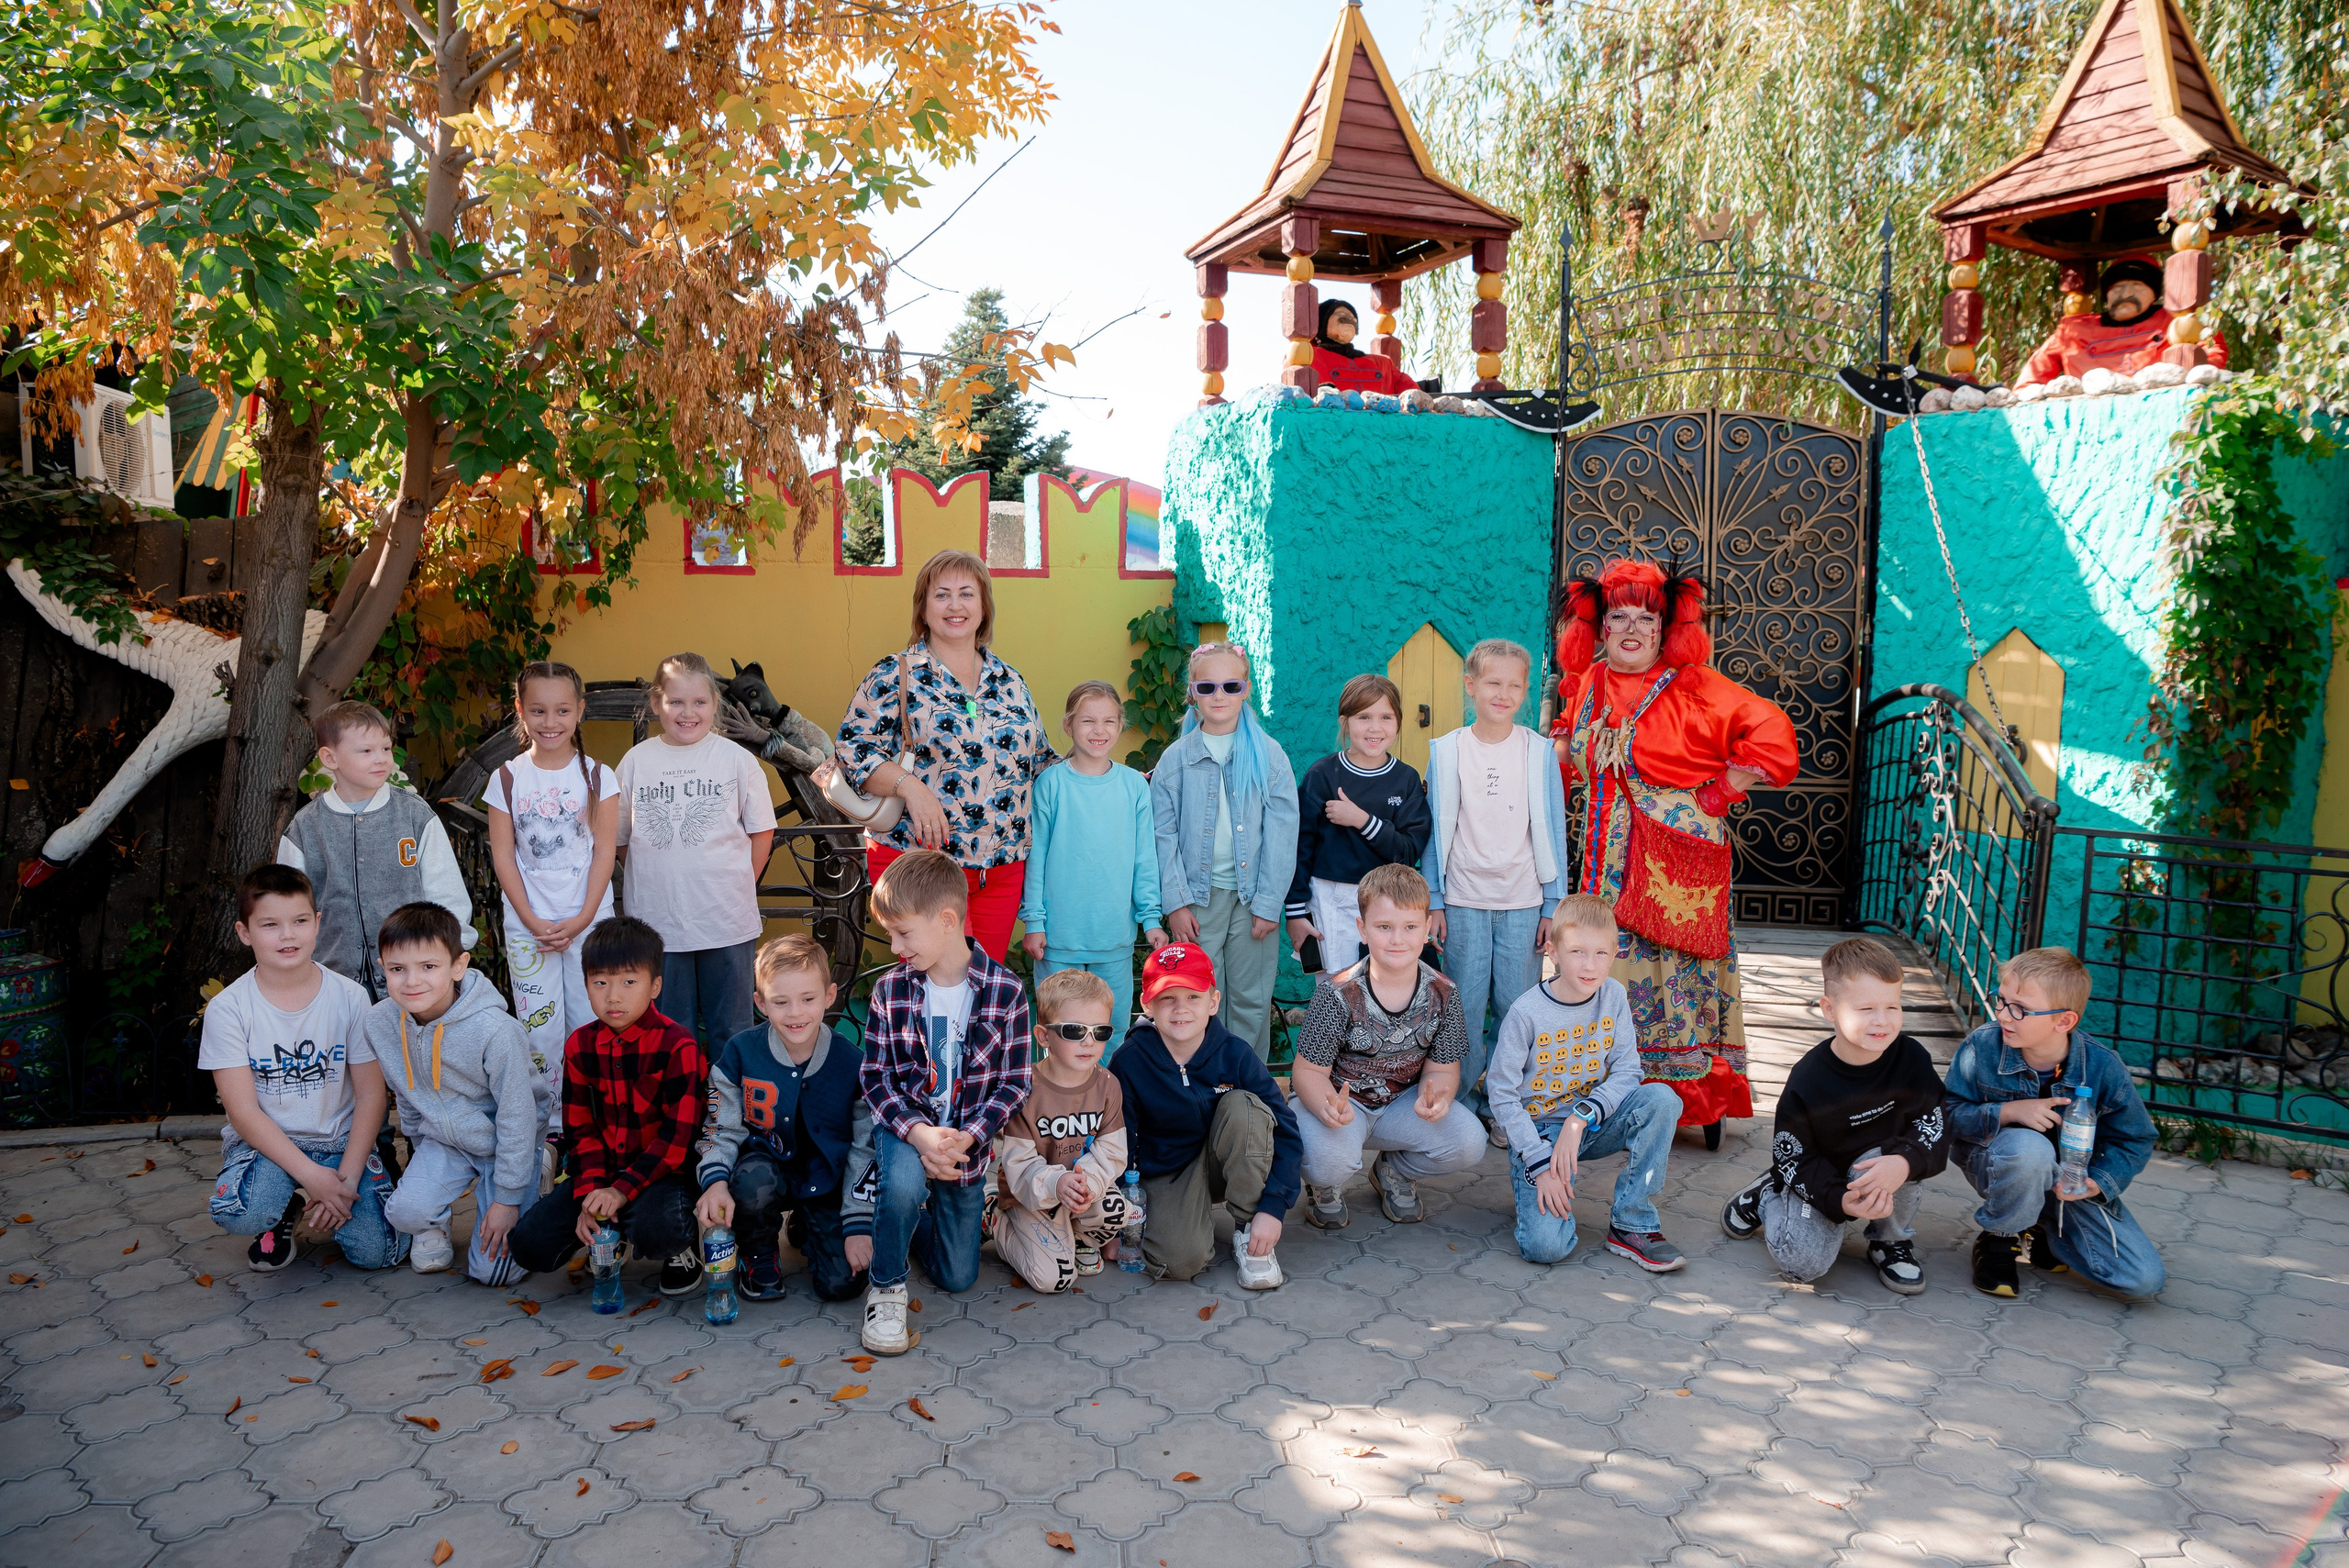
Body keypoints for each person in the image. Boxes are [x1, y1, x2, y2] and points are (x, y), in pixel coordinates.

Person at [1554, 559, 1798, 1140]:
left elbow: (1773, 732)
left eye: (1647, 618)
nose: (1633, 629)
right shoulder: (1589, 682)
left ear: (1665, 628)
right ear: (1602, 625)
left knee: (1677, 969)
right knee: (1598, 965)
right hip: (1600, 859)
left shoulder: (1693, 685)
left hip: (1674, 858)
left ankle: (1682, 1095)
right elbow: (1568, 742)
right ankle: (1601, 1090)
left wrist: (1721, 792)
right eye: (1620, 617)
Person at [836, 550, 1062, 961]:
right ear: (923, 609)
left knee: (982, 984)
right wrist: (913, 789)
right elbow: (853, 749)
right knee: (939, 984)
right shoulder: (895, 673)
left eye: (966, 594)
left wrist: (1105, 774)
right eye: (941, 595)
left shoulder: (1010, 680)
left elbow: (1040, 761)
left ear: (983, 606)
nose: (955, 606)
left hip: (1002, 869)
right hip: (921, 864)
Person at [858, 849, 1035, 1353]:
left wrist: (969, 1138)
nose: (894, 946)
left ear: (948, 920)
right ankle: (887, 1285)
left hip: (965, 1146)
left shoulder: (1005, 992)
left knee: (958, 1277)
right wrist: (917, 1134)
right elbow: (876, 1077)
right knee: (901, 1185)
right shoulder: (891, 990)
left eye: (903, 933)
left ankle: (909, 1220)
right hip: (907, 1131)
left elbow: (1015, 1082)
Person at [201, 864, 406, 1273]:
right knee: (239, 1211)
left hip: (339, 1144)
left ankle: (340, 1194)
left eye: (298, 921)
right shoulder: (229, 1009)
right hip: (268, 1147)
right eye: (270, 925)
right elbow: (243, 1113)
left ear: (317, 923)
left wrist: (343, 1182)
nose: (288, 935)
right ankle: (279, 1211)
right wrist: (311, 1177)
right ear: (245, 933)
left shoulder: (349, 998)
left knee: (380, 1254)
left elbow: (370, 1095)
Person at [1720, 937, 1947, 1295]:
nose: (1882, 1021)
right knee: (1803, 1266)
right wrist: (1837, 1199)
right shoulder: (1809, 1080)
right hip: (1819, 1176)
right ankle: (1767, 1195)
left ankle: (1888, 1240)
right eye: (1866, 1009)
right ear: (1829, 1009)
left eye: (1893, 1007)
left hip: (1880, 1165)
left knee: (1902, 1157)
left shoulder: (1912, 1060)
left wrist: (1904, 1163)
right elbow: (1793, 1154)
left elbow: (1933, 1123)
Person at [1944, 946, 2164, 1301]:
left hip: (2069, 1181)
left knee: (2142, 1279)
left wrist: (2098, 1183)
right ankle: (1999, 1238)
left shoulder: (2103, 1067)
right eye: (2000, 1000)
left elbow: (2135, 1138)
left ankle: (2045, 1227)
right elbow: (1947, 1114)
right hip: (2000, 1165)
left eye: (2020, 1009)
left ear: (2063, 1021)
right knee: (2031, 1150)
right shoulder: (1981, 1048)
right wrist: (2010, 1112)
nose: (2003, 1015)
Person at [1486, 895, 1687, 1271]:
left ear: (1614, 953)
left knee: (1661, 1099)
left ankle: (1632, 1223)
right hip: (1540, 1133)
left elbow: (1628, 1070)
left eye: (1600, 954)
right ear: (1553, 951)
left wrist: (1580, 1118)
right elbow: (1501, 1093)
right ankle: (1545, 1193)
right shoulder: (1526, 1013)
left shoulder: (1613, 995)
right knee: (1545, 1247)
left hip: (1588, 1124)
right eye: (1577, 951)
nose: (1590, 966)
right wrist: (1540, 1164)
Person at [508, 917, 709, 1294]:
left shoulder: (678, 1046)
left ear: (655, 986)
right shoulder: (580, 1046)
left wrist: (620, 1192)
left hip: (661, 1175)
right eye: (600, 982)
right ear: (585, 986)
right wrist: (590, 1195)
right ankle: (609, 1231)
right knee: (529, 1246)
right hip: (602, 1172)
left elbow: (676, 1142)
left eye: (629, 982)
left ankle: (680, 1249)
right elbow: (580, 1131)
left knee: (660, 1231)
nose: (613, 996)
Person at [1425, 639, 1569, 1138]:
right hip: (1463, 899)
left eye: (1514, 685)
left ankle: (1506, 1105)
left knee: (1515, 1005)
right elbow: (1435, 831)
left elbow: (1552, 826)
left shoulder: (1537, 751)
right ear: (1471, 686)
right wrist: (1435, 899)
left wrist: (1554, 903)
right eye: (1492, 683)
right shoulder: (1446, 751)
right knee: (1461, 1005)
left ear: (1526, 690)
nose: (1503, 694)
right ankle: (1457, 1098)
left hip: (1524, 902)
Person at [1291, 864, 1485, 1229]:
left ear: (1427, 928)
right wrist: (1324, 1104)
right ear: (1362, 929)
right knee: (1329, 1160)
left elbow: (1443, 1068)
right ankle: (1324, 1186)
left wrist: (1440, 1096)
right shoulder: (1337, 993)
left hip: (1400, 1108)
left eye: (1410, 927)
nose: (1398, 939)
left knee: (1469, 1141)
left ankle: (1392, 1170)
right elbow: (1307, 1072)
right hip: (1341, 1106)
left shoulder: (1444, 993)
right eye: (1384, 927)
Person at [365, 902, 544, 1284]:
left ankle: (532, 1175)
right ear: (383, 969)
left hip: (506, 1141)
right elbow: (407, 1094)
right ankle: (436, 1226)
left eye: (428, 967)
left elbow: (518, 1115)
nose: (412, 982)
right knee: (405, 1212)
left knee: (494, 1274)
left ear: (458, 966)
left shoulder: (495, 1030)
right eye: (398, 969)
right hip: (446, 1140)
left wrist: (506, 1199)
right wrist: (419, 1155)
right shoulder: (380, 1023)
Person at [694, 934, 874, 1304]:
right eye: (780, 1001)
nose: (795, 1013)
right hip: (763, 1172)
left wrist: (859, 1222)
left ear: (829, 995)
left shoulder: (852, 1063)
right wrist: (714, 1181)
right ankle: (758, 1253)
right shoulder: (740, 1053)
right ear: (760, 1003)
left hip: (826, 1179)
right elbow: (719, 1127)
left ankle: (809, 1224)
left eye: (808, 999)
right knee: (752, 1182)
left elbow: (865, 1148)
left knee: (842, 1285)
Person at [1111, 942, 1302, 1288]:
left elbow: (1286, 1129)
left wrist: (1273, 1209)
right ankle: (1187, 1222)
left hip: (1228, 1160)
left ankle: (1247, 1227)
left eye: (1193, 997)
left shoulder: (1236, 1054)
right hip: (1169, 1170)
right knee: (1179, 1262)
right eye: (1168, 998)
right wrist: (1116, 1223)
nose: (1180, 1009)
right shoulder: (1130, 1060)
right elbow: (1118, 1139)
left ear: (1213, 1002)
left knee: (1244, 1106)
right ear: (1147, 1005)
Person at [484, 660, 619, 1134]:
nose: (551, 722)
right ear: (521, 711)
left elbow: (605, 853)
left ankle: (594, 1115)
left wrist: (582, 918)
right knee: (540, 1028)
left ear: (579, 711)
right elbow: (504, 858)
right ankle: (550, 1124)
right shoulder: (506, 779)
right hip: (530, 928)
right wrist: (532, 920)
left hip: (590, 924)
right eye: (538, 711)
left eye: (562, 710)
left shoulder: (600, 778)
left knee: (593, 1018)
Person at [616, 651, 777, 1046]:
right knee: (670, 1032)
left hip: (725, 922)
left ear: (714, 704)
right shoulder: (636, 762)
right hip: (659, 925)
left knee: (731, 1029)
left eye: (699, 702)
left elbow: (762, 834)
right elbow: (620, 840)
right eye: (676, 702)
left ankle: (726, 1105)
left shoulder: (737, 761)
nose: (688, 713)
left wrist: (740, 884)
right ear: (657, 703)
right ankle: (679, 1105)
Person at [1151, 641, 1299, 1061]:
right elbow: (1162, 836)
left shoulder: (1268, 756)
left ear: (1246, 690)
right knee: (1196, 993)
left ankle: (1245, 1088)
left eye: (1230, 686)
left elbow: (1283, 832)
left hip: (1253, 898)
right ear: (1192, 693)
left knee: (1251, 999)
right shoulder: (1176, 760)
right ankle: (1201, 1082)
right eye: (1208, 686)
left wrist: (1270, 902)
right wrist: (1177, 903)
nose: (1219, 696)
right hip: (1199, 902)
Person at [279, 700, 473, 1002]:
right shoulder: (306, 827)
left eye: (385, 749)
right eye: (366, 751)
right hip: (333, 980)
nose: (381, 759)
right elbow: (289, 911)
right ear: (330, 758)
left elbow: (447, 895)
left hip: (411, 978)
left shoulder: (414, 816)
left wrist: (448, 959)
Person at [1019, 680, 1166, 1054]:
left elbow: (1144, 859)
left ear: (1120, 726)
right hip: (1058, 936)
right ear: (1069, 726)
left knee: (1113, 1027)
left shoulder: (1134, 786)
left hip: (1112, 935)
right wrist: (1034, 921)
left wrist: (1150, 918)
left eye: (1108, 721)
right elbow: (1036, 858)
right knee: (1057, 1028)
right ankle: (1056, 1103)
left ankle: (1108, 1102)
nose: (1098, 731)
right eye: (1087, 721)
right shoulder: (1050, 784)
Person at [987, 968, 1131, 1294]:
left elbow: (1112, 1151)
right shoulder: (1023, 1088)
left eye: (1100, 1030)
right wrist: (1056, 1182)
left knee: (1117, 1208)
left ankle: (1078, 1237)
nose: (1089, 1041)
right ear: (1043, 1036)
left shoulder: (1108, 1085)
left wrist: (1088, 1183)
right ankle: (996, 1221)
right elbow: (1019, 1165)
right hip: (1032, 1195)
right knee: (1056, 1280)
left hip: (1079, 1190)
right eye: (1074, 1030)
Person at [1286, 673, 1431, 976]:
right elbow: (1298, 846)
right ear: (1345, 721)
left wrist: (1362, 821)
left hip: (1390, 904)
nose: (1375, 727)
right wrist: (1296, 912)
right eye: (1363, 716)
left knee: (1385, 985)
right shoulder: (1323, 775)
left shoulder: (1405, 780)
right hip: (1330, 901)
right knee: (1337, 988)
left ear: (1398, 723)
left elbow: (1407, 851)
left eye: (1385, 717)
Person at [2021, 257, 2230, 384]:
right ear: (2106, 296)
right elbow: (2034, 374)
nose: (2126, 294)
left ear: (2154, 295)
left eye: (2137, 287)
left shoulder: (2176, 320)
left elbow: (2212, 348)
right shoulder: (2074, 331)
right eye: (2118, 289)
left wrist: (2198, 378)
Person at [1309, 299, 1419, 397]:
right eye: (1341, 315)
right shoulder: (1310, 357)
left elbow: (1414, 395)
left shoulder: (1383, 364)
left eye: (1353, 318)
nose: (1349, 320)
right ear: (1322, 323)